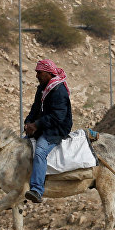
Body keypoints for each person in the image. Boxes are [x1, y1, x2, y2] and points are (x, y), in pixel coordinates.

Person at [23, 58, 73, 203]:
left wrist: (37, 125)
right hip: (44, 126)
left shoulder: (59, 90)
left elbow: (58, 116)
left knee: (39, 152)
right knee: (21, 147)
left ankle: (37, 190)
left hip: (57, 128)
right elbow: (35, 108)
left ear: (49, 73)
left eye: (39, 72)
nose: (37, 75)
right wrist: (28, 122)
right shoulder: (42, 88)